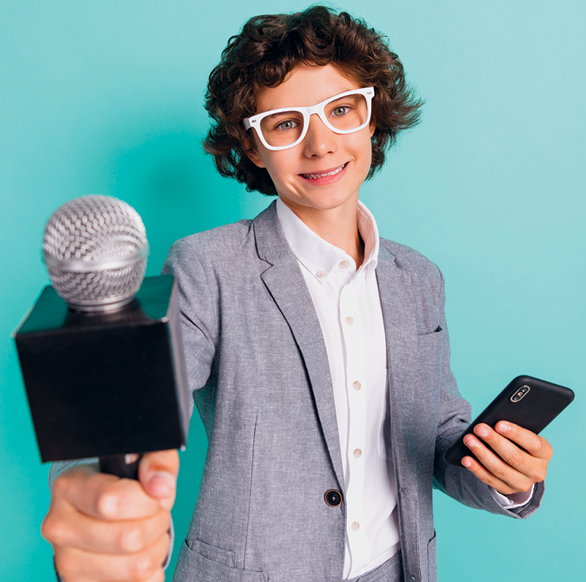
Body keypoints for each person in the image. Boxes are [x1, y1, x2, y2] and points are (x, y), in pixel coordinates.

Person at [42, 6, 552, 582]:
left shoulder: (420, 278)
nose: (320, 143)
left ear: (371, 120)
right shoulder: (205, 266)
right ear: (253, 148)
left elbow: (434, 435)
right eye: (285, 123)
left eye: (340, 111)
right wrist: (97, 498)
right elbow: (130, 416)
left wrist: (505, 474)